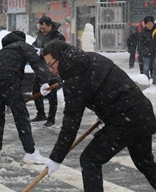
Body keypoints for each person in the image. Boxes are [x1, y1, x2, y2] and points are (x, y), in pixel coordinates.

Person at [42, 40, 156, 191]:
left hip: (124, 121)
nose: (51, 69)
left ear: (61, 58)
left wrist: (56, 158)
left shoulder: (74, 80)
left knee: (90, 159)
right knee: (144, 161)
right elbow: (110, 86)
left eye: (51, 64)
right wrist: (105, 110)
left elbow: (70, 125)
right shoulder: (91, 58)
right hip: (141, 112)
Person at [0, 31, 55, 163]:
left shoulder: (2, 52)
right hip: (9, 81)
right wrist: (45, 81)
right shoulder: (22, 46)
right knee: (21, 117)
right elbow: (36, 62)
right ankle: (30, 152)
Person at [31, 16, 65, 127]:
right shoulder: (40, 34)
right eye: (40, 28)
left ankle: (51, 118)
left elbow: (55, 51)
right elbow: (36, 44)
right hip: (41, 69)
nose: (42, 30)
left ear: (50, 26)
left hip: (53, 69)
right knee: (36, 91)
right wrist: (33, 48)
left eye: (44, 28)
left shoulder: (58, 37)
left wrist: (41, 51)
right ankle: (40, 114)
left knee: (52, 95)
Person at [138, 15, 156, 84]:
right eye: (148, 24)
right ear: (145, 24)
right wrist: (147, 51)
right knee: (145, 69)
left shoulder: (155, 31)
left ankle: (155, 81)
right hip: (146, 55)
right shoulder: (143, 32)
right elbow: (141, 44)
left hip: (155, 53)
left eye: (151, 24)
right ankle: (145, 82)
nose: (150, 25)